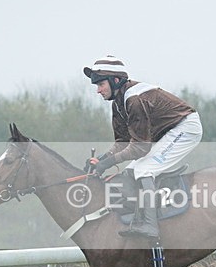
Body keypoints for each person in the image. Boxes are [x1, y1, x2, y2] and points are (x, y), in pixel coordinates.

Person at [83, 55, 203, 239]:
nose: (98, 90)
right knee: (131, 172)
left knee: (144, 170)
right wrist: (101, 159)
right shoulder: (118, 104)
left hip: (185, 128)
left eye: (100, 84)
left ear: (115, 81)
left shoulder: (134, 100)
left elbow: (140, 148)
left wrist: (107, 164)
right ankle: (140, 216)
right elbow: (123, 142)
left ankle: (150, 225)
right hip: (167, 132)